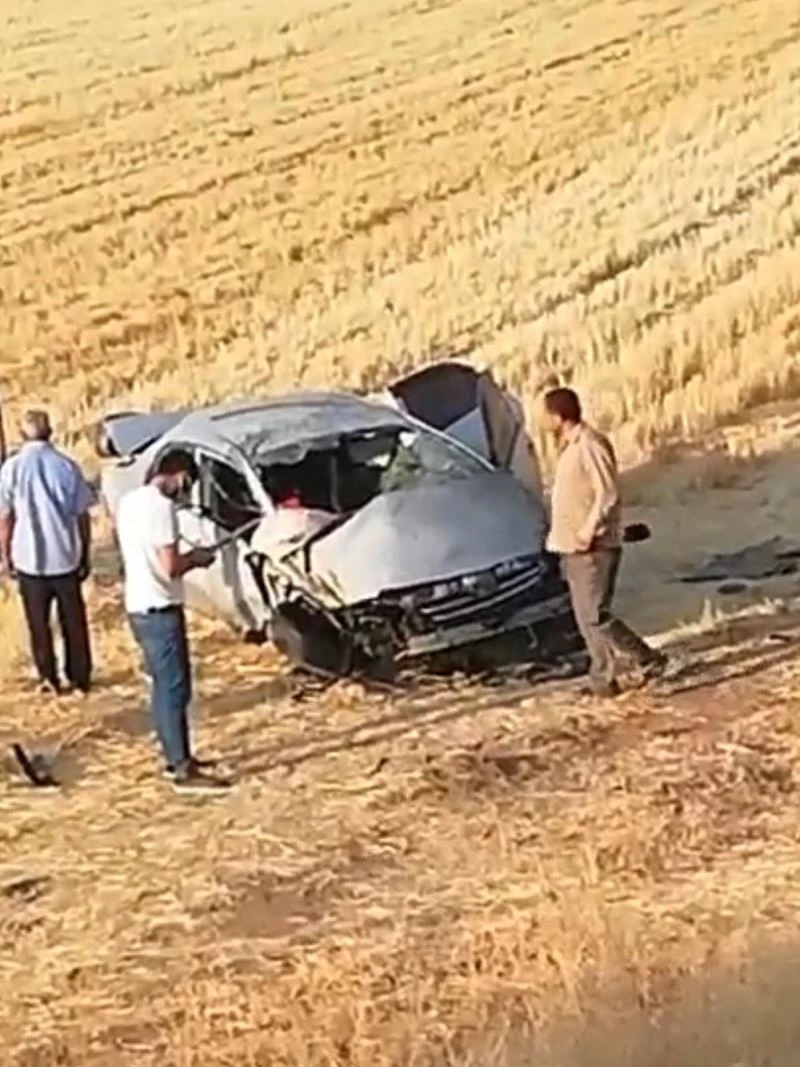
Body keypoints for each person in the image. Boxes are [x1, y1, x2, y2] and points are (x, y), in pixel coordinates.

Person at [116, 449, 231, 794]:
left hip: (138, 603)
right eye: (187, 483)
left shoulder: (129, 501)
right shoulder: (162, 508)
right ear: (179, 475)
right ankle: (182, 767)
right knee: (174, 688)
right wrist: (196, 559)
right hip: (160, 607)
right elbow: (170, 568)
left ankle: (176, 756)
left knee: (164, 686)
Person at [542, 387, 666, 697]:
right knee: (587, 619)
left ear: (557, 416)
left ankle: (648, 659)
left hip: (593, 546)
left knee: (596, 615)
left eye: (546, 415)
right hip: (571, 546)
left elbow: (607, 492)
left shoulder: (590, 444)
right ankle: (603, 681)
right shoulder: (570, 447)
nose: (543, 421)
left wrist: (588, 529)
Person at [0, 410, 93, 695]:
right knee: (73, 622)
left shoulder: (11, 469)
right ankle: (78, 677)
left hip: (29, 559)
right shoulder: (66, 466)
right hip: (64, 555)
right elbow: (82, 515)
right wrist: (84, 551)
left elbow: (5, 517)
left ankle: (47, 677)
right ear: (50, 432)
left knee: (38, 624)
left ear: (21, 434)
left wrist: (5, 555)